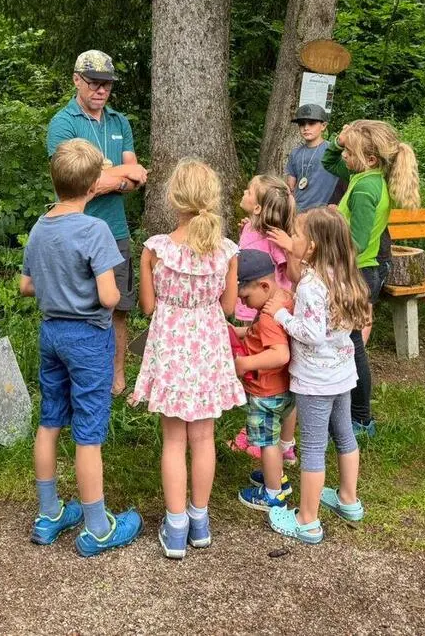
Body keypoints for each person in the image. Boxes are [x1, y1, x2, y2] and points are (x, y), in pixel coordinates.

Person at [21, 139, 143, 557]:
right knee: (89, 434)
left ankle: (49, 512)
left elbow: (26, 285)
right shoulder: (96, 229)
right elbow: (110, 298)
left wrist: (57, 283)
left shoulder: (40, 226)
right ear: (94, 186)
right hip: (88, 338)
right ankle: (97, 526)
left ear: (55, 182)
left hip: (51, 333)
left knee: (50, 420)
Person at [130, 159, 245, 559]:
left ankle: (175, 527)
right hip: (209, 347)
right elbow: (229, 307)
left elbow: (147, 307)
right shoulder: (227, 252)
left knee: (174, 440)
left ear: (173, 199)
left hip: (172, 347)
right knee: (204, 438)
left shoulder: (155, 250)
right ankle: (200, 522)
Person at [46, 49, 150, 396]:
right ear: (77, 79)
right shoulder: (64, 123)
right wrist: (116, 176)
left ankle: (116, 380)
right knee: (79, 307)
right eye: (94, 82)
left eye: (106, 84)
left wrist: (106, 177)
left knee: (118, 308)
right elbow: (68, 177)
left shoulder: (120, 122)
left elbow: (137, 177)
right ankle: (78, 380)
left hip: (114, 231)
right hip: (73, 230)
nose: (101, 90)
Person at [263, 208, 369, 544]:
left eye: (296, 234)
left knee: (311, 447)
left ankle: (307, 520)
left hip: (314, 380)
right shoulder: (344, 274)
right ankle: (349, 500)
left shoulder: (311, 284)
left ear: (311, 247)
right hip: (342, 374)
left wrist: (281, 314)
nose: (291, 239)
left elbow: (311, 333)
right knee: (344, 436)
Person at [332, 119, 422, 438]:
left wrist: (322, 253)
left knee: (353, 344)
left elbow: (356, 242)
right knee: (347, 342)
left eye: (349, 151)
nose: (343, 155)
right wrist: (342, 139)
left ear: (370, 158)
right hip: (359, 270)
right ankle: (350, 413)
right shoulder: (364, 177)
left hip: (358, 272)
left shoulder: (365, 189)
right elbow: (331, 159)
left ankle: (361, 419)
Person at [228, 175, 298, 465]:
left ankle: (272, 439)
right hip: (257, 310)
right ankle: (276, 439)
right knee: (276, 379)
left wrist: (289, 246)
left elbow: (287, 273)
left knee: (269, 376)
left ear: (258, 207)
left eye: (248, 191)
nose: (243, 192)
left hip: (266, 310)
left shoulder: (271, 238)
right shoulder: (253, 230)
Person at [233, 250, 295, 511]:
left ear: (264, 285)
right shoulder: (282, 300)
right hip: (284, 388)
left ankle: (272, 493)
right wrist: (239, 332)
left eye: (245, 297)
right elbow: (262, 334)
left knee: (267, 442)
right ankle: (276, 475)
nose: (244, 304)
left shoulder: (268, 316)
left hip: (266, 392)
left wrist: (245, 363)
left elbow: (280, 353)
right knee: (271, 436)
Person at [285, 104, 339, 212]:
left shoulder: (333, 151)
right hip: (298, 211)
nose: (306, 128)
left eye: (311, 123)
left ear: (323, 126)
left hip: (323, 214)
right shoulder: (295, 153)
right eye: (302, 124)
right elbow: (290, 187)